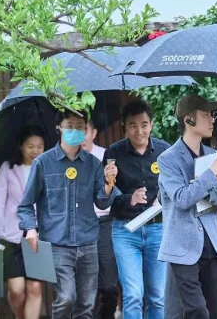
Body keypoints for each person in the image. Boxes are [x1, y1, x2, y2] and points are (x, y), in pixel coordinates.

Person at [18, 110, 121, 319]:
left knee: (86, 304)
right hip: (57, 243)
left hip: (88, 243)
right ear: (59, 128)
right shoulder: (43, 163)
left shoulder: (93, 164)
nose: (75, 130)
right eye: (70, 126)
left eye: (80, 127)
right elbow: (25, 205)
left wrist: (109, 185)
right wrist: (30, 229)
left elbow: (101, 202)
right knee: (66, 297)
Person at [157, 94, 217, 319]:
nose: (212, 119)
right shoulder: (167, 159)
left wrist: (204, 188)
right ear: (189, 119)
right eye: (205, 115)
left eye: (212, 114)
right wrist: (210, 177)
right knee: (196, 309)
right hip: (182, 245)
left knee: (215, 308)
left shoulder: (214, 155)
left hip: (212, 243)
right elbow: (181, 199)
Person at [102, 99, 170, 319]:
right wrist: (128, 198)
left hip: (157, 229)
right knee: (132, 294)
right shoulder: (113, 153)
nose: (139, 131)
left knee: (158, 295)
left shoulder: (165, 151)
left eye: (144, 125)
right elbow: (106, 198)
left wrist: (164, 197)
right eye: (133, 125)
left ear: (151, 125)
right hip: (125, 231)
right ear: (124, 127)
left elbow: (176, 186)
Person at [0, 126, 46, 319]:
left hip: (39, 237)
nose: (35, 151)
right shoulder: (9, 168)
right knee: (16, 289)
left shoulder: (48, 168)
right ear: (21, 146)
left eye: (40, 146)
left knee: (35, 287)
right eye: (30, 146)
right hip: (11, 236)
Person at [81, 119, 119, 319]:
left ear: (94, 133)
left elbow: (118, 191)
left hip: (105, 223)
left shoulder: (108, 157)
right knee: (84, 283)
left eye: (84, 131)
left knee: (108, 283)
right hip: (81, 225)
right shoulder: (69, 160)